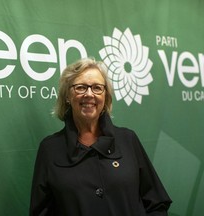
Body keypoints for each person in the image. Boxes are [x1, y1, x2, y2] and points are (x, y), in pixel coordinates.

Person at [29, 57, 172, 216]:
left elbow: (156, 203)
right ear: (67, 96)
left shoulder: (128, 140)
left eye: (97, 88)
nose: (89, 94)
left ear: (105, 97)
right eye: (81, 87)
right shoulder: (50, 149)